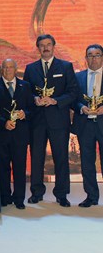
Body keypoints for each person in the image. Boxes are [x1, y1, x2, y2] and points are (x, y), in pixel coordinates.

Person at [23, 34, 78, 207]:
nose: (45, 48)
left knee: (61, 158)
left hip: (59, 120)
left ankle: (62, 194)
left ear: (54, 46)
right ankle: (36, 192)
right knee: (37, 158)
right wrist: (34, 99)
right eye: (42, 45)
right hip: (37, 121)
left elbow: (73, 92)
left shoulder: (66, 66)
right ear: (38, 48)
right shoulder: (30, 68)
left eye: (48, 44)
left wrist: (55, 101)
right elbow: (26, 92)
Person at [0, 59, 32, 209]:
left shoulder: (25, 86)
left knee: (19, 167)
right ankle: (4, 197)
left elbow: (32, 108)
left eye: (11, 67)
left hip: (20, 135)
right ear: (1, 70)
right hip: (2, 134)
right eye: (5, 67)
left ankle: (19, 198)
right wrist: (3, 122)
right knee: (3, 167)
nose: (8, 70)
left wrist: (25, 114)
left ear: (16, 69)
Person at [72, 44, 103, 208]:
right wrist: (81, 107)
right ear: (85, 59)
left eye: (97, 55)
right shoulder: (78, 77)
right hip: (85, 124)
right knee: (87, 162)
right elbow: (72, 98)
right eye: (90, 55)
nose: (94, 58)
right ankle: (91, 196)